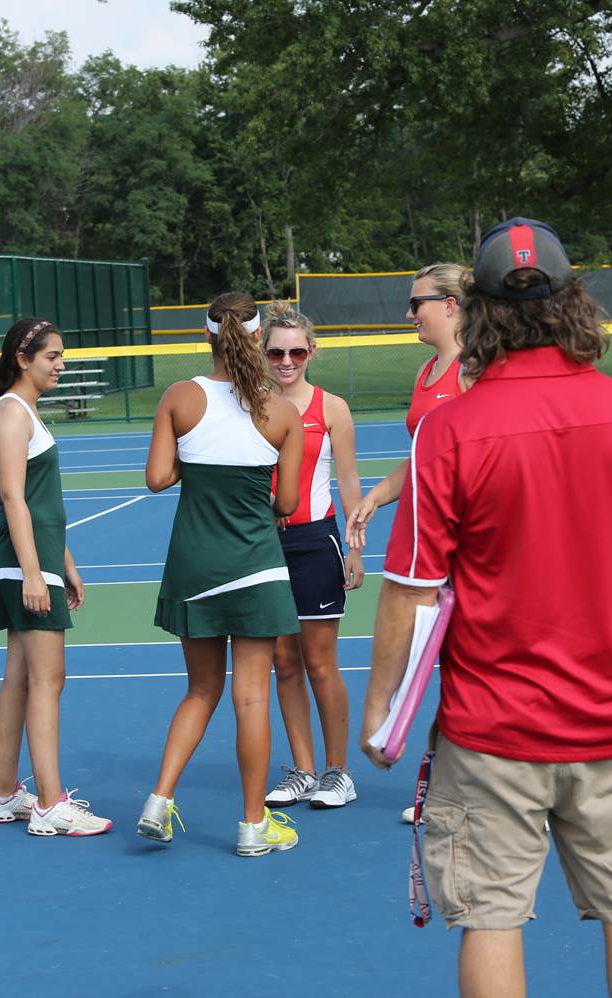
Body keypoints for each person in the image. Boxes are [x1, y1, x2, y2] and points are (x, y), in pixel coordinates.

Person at [359, 218, 612, 998]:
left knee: (489, 919)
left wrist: (382, 706)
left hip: (490, 729)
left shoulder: (447, 432)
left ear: (476, 309)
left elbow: (412, 588)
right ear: (574, 302)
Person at [137, 291, 306, 857]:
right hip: (256, 568)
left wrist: (198, 457)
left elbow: (158, 477)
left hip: (194, 567)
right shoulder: (282, 413)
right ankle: (252, 827)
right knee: (252, 700)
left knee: (200, 689)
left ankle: (158, 802)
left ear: (206, 335)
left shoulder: (180, 398)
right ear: (258, 337)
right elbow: (285, 503)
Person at [344, 262, 472, 824]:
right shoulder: (427, 372)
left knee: (474, 672)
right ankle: (445, 789)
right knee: (446, 669)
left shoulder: (476, 370)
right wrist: (379, 495)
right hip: (426, 540)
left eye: (418, 301)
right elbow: (427, 454)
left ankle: (515, 789)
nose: (409, 313)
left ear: (451, 304)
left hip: (467, 542)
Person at [0, 317, 110, 836]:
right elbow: (13, 497)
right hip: (24, 566)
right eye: (52, 356)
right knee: (48, 680)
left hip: (35, 563)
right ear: (23, 358)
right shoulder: (12, 414)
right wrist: (35, 573)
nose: (61, 364)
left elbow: (42, 505)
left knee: (19, 679)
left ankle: (4, 794)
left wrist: (66, 563)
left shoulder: (24, 413)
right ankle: (50, 804)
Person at [258, 301, 366, 810]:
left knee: (321, 663)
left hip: (314, 542)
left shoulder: (332, 408)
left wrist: (355, 547)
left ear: (311, 352)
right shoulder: (250, 405)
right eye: (276, 351)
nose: (286, 360)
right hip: (263, 546)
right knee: (283, 662)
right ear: (263, 353)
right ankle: (302, 769)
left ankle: (337, 771)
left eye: (296, 351)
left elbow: (347, 482)